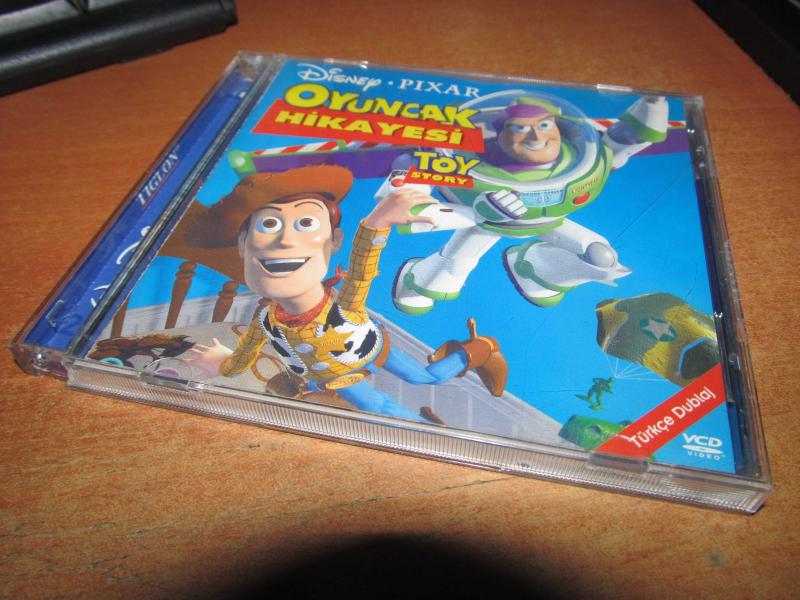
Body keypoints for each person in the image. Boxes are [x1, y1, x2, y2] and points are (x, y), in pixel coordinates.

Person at [182, 165, 508, 423]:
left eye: (306, 223)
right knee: (380, 408)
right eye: (268, 225)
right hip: (335, 377)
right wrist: (221, 363)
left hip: (373, 350)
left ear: (333, 241)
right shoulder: (265, 323)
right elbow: (242, 358)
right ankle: (431, 434)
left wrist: (377, 221)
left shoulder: (343, 307)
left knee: (426, 378)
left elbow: (363, 267)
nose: (285, 241)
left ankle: (480, 349)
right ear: (243, 245)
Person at [392, 94, 669, 313]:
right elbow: (407, 189)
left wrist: (646, 117)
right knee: (452, 269)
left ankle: (534, 269)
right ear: (502, 134)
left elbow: (619, 142)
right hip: (485, 222)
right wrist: (477, 208)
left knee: (599, 256)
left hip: (547, 221)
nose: (537, 137)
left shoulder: (579, 156)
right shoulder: (474, 167)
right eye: (521, 128)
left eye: (544, 125)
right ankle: (415, 281)